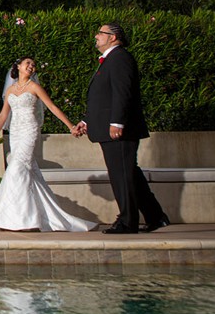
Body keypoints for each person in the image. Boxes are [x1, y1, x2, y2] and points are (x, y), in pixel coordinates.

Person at [0, 57, 96, 232]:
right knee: (25, 171)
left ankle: (23, 219)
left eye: (33, 65)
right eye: (28, 64)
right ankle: (32, 216)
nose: (31, 67)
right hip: (15, 133)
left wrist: (70, 126)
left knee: (17, 167)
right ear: (18, 67)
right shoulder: (10, 90)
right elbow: (3, 115)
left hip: (29, 131)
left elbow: (52, 107)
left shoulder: (35, 87)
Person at [72, 23, 169, 234]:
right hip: (109, 127)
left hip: (118, 130)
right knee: (129, 174)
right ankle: (155, 216)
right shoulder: (110, 60)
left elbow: (123, 92)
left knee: (121, 176)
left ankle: (128, 222)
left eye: (100, 32)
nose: (96, 36)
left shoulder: (120, 58)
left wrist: (117, 123)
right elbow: (103, 98)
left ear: (113, 37)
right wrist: (87, 122)